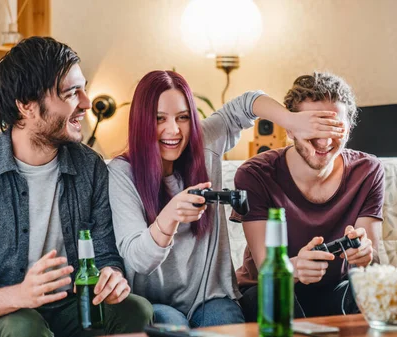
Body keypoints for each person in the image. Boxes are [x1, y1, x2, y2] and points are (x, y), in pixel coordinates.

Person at [107, 70, 345, 327]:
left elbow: (247, 103)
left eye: (183, 118)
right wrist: (170, 217)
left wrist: (292, 121)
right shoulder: (123, 172)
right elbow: (137, 260)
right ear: (142, 121)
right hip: (157, 303)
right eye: (159, 118)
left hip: (213, 298)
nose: (173, 130)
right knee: (171, 326)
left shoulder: (205, 143)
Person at [0, 37, 153, 337]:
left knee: (136, 310)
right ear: (26, 105)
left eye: (83, 88)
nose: (86, 103)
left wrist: (111, 276)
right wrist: (21, 295)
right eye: (70, 93)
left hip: (68, 304)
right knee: (24, 326)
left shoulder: (89, 165)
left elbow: (105, 255)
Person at [230, 72, 385, 320]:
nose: (324, 140)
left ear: (349, 128)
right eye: (313, 128)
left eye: (334, 127)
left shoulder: (367, 171)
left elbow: (372, 256)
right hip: (270, 289)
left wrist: (366, 253)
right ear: (290, 130)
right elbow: (265, 268)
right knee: (275, 294)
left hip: (336, 291)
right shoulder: (255, 174)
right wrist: (294, 267)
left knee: (370, 290)